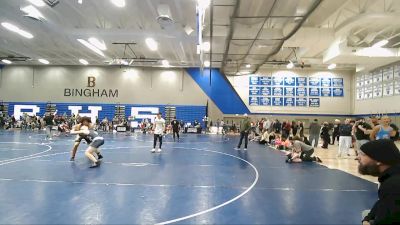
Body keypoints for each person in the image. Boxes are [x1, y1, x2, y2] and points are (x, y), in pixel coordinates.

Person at [357, 139, 400, 225]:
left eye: (363, 154)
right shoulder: (391, 177)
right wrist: (368, 218)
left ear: (379, 160)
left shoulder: (393, 185)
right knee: (366, 214)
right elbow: (383, 202)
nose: (357, 157)